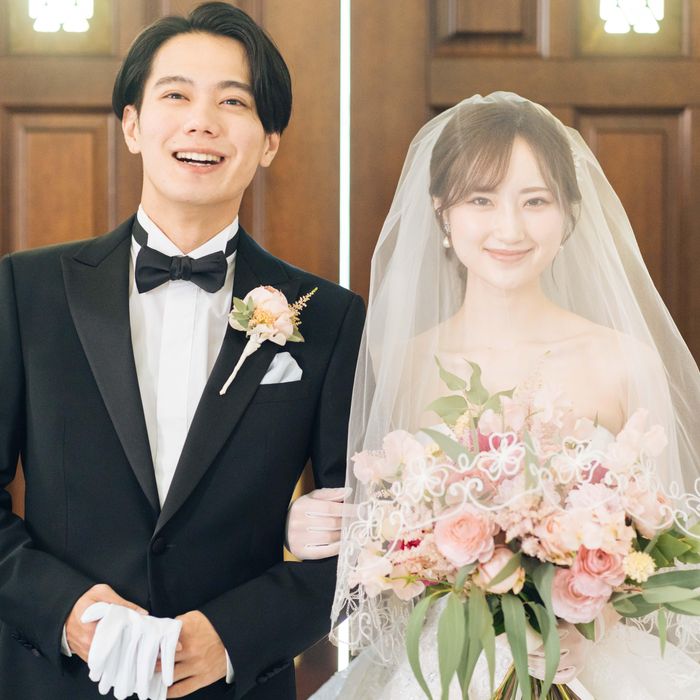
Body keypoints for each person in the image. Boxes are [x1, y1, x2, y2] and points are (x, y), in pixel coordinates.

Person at [0, 3, 364, 699]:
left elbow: (366, 537)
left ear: (269, 142)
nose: (202, 122)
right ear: (132, 124)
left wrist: (235, 636)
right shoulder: (26, 290)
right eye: (175, 95)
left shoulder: (329, 318)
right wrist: (65, 613)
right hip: (52, 679)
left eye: (234, 102)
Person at [287, 93, 700, 698]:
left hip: (592, 666)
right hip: (441, 669)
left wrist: (593, 619)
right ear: (442, 212)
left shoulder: (622, 361)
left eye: (536, 201)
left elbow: (668, 550)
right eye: (481, 200)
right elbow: (373, 548)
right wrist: (302, 528)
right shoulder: (398, 367)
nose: (510, 228)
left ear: (569, 213)